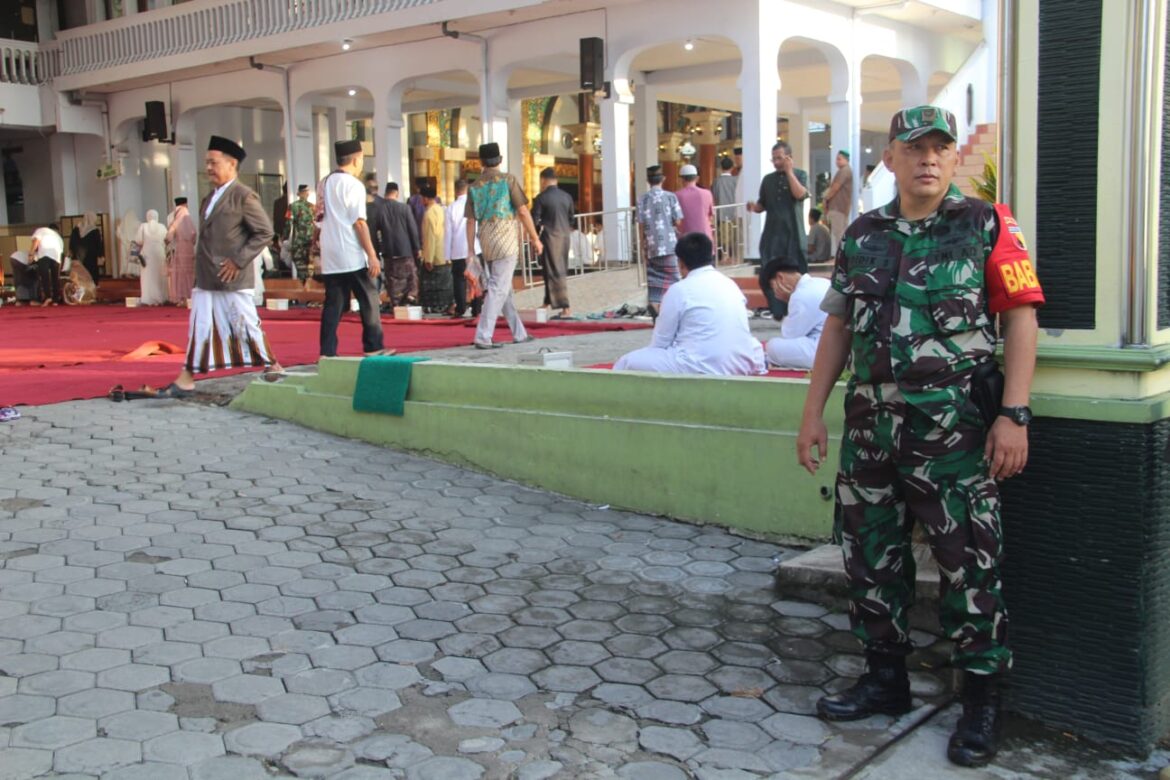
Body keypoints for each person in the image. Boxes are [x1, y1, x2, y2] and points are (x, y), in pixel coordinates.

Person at [796, 105, 1045, 769]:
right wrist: (812, 411)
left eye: (940, 146)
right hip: (871, 433)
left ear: (951, 156)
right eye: (916, 148)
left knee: (970, 565)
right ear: (893, 159)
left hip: (956, 436)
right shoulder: (864, 236)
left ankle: (982, 701)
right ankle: (886, 679)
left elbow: (1022, 318)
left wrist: (1013, 414)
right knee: (870, 557)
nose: (929, 158)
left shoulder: (986, 224)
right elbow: (839, 328)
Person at [164, 135, 282, 395]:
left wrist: (239, 261)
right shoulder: (210, 198)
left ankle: (273, 364)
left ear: (231, 165)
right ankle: (187, 375)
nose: (208, 168)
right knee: (201, 324)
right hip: (207, 276)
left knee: (245, 323)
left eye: (213, 163)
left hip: (231, 277)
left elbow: (264, 232)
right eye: (206, 162)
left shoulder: (243, 196)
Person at [614, 232, 765, 376]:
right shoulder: (730, 284)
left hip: (698, 365)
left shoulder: (679, 290)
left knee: (627, 362)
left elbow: (660, 343)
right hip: (740, 364)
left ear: (680, 263)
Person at [317, 139, 390, 358]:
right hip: (350, 251)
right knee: (369, 299)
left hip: (330, 252)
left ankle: (327, 352)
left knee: (333, 305)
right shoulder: (353, 185)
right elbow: (359, 223)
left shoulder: (324, 182)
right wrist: (372, 255)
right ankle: (373, 346)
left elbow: (318, 219)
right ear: (357, 159)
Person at [465, 141, 541, 349]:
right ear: (499, 160)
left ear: (481, 162)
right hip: (506, 238)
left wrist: (471, 250)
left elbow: (470, 222)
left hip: (486, 240)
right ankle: (483, 335)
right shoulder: (508, 180)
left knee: (503, 288)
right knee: (498, 288)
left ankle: (519, 333)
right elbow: (523, 211)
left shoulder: (474, 187)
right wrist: (535, 238)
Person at [759, 256, 830, 369]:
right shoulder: (821, 282)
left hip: (824, 351)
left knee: (772, 346)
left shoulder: (800, 295)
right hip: (837, 344)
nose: (776, 295)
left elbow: (790, 336)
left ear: (780, 278)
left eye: (773, 288)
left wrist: (789, 299)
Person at [636, 165, 684, 319]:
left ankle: (654, 304)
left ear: (648, 181)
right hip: (669, 244)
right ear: (663, 179)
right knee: (674, 278)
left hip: (651, 245)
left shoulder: (642, 199)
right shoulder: (671, 197)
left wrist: (642, 245)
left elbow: (640, 224)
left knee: (653, 277)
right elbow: (678, 221)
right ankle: (676, 310)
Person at [530, 166, 575, 318]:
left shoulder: (541, 198)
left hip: (550, 237)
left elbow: (534, 220)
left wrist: (535, 238)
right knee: (552, 270)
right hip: (564, 237)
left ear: (543, 180)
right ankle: (547, 301)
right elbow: (571, 219)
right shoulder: (567, 196)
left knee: (555, 271)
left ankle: (566, 307)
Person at [375, 182, 421, 307]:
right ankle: (410, 297)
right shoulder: (404, 208)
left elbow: (376, 230)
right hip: (405, 250)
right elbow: (413, 229)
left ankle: (395, 303)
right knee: (410, 275)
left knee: (392, 278)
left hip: (388, 251)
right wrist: (417, 248)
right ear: (397, 193)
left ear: (385, 193)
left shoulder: (379, 209)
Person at [445, 178, 480, 318]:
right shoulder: (475, 204)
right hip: (475, 247)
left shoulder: (451, 208)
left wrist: (447, 255)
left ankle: (460, 308)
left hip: (458, 250)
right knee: (475, 279)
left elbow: (448, 233)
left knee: (459, 280)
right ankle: (477, 308)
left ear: (455, 190)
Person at [418, 184, 454, 314]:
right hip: (445, 253)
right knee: (446, 284)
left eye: (421, 198)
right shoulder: (441, 209)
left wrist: (428, 258)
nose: (421, 200)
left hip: (435, 255)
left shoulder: (429, 214)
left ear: (426, 199)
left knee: (432, 285)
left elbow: (430, 238)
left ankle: (435, 306)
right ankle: (447, 304)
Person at [133, 209, 169, 305]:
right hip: (159, 253)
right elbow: (167, 239)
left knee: (148, 276)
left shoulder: (143, 226)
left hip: (147, 254)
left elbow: (138, 240)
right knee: (159, 275)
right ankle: (161, 297)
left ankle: (147, 298)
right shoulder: (162, 227)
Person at [822, 149, 854, 254]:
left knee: (839, 234)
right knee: (841, 234)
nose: (837, 161)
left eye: (839, 159)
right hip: (842, 208)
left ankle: (841, 258)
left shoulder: (844, 171)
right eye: (836, 159)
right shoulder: (846, 170)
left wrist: (825, 199)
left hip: (838, 208)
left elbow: (835, 188)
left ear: (846, 160)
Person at [166, 197, 196, 304]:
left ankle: (181, 296)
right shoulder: (184, 213)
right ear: (184, 204)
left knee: (180, 273)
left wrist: (167, 241)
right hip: (187, 247)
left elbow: (171, 232)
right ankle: (187, 295)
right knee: (186, 273)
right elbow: (193, 232)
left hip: (180, 246)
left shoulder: (176, 214)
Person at [27, 223, 65, 306]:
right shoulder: (58, 237)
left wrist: (31, 254)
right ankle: (55, 300)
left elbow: (36, 242)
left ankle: (48, 297)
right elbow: (61, 253)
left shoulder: (40, 231)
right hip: (56, 257)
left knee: (45, 276)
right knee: (55, 278)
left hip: (45, 254)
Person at [674, 163, 714, 241]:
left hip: (686, 235)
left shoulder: (676, 195)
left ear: (681, 179)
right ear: (696, 178)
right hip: (705, 234)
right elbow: (711, 215)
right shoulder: (707, 193)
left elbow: (675, 219)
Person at [282, 184, 314, 280]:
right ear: (307, 194)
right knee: (310, 269)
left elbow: (288, 223)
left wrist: (285, 237)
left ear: (298, 194)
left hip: (298, 242)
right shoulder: (313, 207)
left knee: (300, 269)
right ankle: (309, 287)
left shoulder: (292, 206)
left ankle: (303, 289)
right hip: (310, 242)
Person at [712, 157, 739, 263]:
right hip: (734, 211)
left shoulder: (716, 181)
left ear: (720, 167)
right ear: (732, 167)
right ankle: (734, 255)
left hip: (721, 212)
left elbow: (714, 195)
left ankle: (724, 255)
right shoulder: (735, 180)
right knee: (734, 234)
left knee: (723, 235)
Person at [69, 212, 104, 284]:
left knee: (80, 273)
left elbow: (71, 243)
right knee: (91, 273)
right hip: (91, 256)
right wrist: (101, 255)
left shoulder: (76, 229)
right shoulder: (94, 230)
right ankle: (92, 289)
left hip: (78, 256)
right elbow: (98, 244)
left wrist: (72, 252)